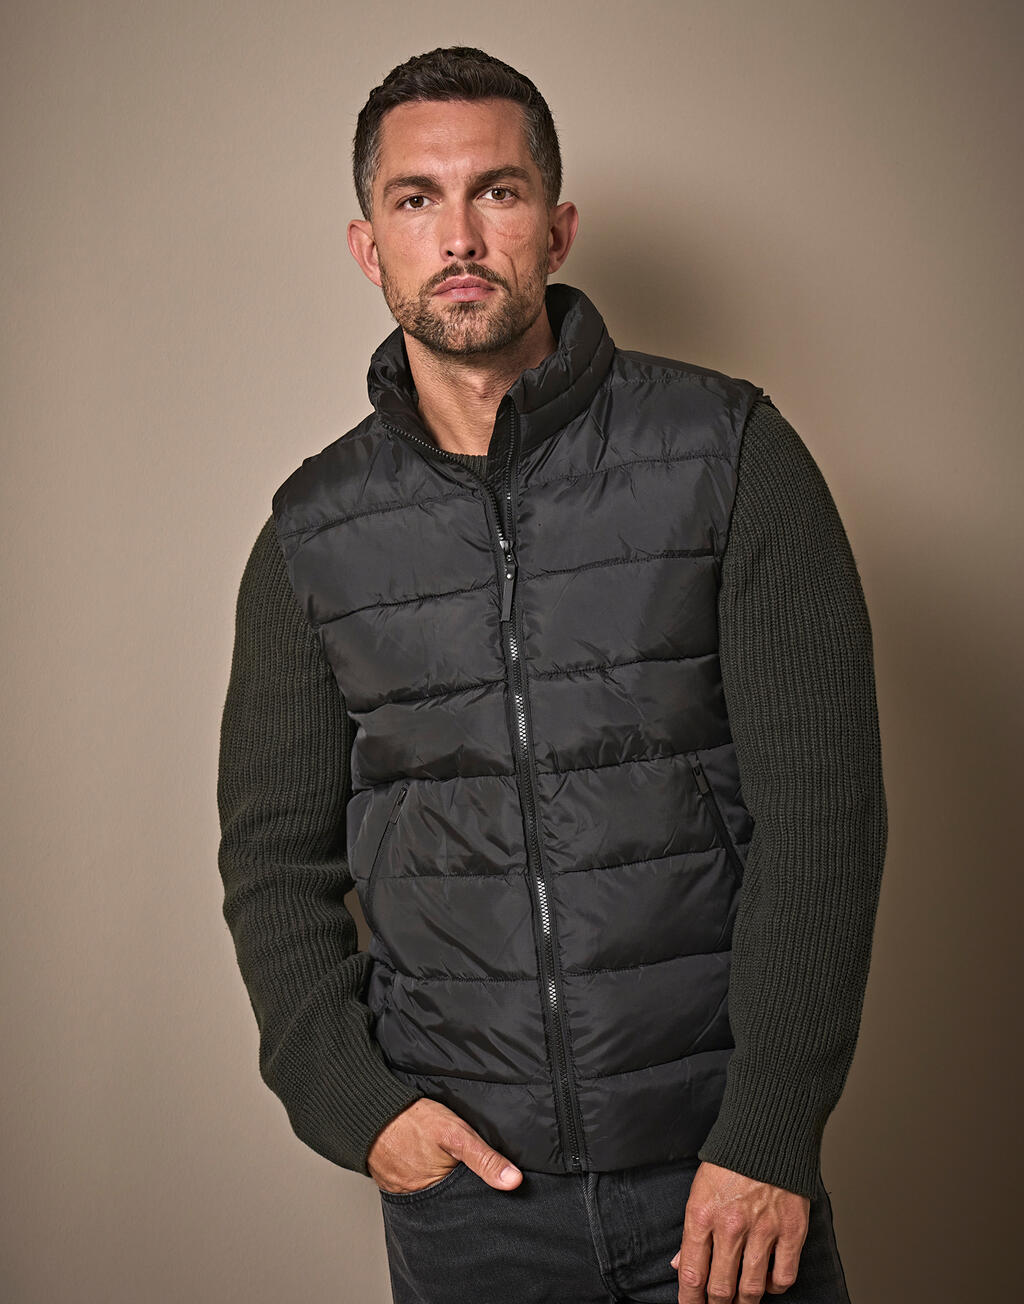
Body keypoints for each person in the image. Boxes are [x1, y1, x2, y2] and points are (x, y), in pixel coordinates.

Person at [217, 45, 887, 1304]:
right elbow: (271, 857)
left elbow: (823, 816)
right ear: (368, 246)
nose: (460, 235)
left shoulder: (732, 454)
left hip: (719, 1178)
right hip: (472, 1203)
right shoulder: (310, 533)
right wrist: (354, 1102)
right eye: (416, 198)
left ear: (557, 227)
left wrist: (769, 1129)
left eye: (498, 191)